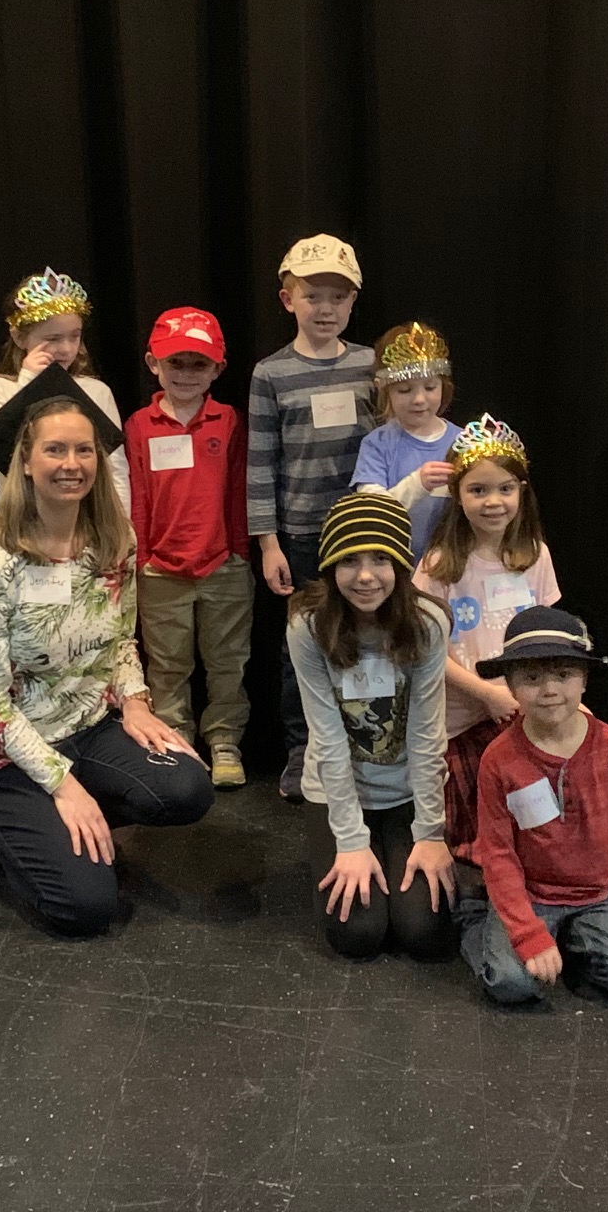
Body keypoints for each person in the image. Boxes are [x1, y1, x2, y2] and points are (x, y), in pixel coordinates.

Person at [0, 397, 213, 937]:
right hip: (8, 757)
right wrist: (63, 784)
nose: (72, 463)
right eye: (55, 450)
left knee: (187, 787)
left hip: (89, 730)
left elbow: (121, 640)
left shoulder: (114, 544)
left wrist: (137, 703)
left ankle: (63, 824)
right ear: (25, 462)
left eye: (83, 450)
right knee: (87, 907)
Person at [461, 607, 608, 1005]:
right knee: (511, 984)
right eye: (532, 678)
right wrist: (526, 932)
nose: (549, 689)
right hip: (530, 894)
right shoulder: (499, 760)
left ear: (585, 680)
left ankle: (568, 941)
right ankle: (479, 925)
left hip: (596, 896)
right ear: (510, 685)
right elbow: (499, 853)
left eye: (563, 674)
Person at [289, 492, 455, 960]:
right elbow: (327, 738)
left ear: (402, 565)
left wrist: (430, 832)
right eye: (349, 560)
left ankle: (395, 841)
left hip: (404, 792)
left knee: (424, 932)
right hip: (337, 793)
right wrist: (350, 841)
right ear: (329, 567)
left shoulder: (427, 624)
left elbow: (426, 738)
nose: (365, 576)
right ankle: (365, 845)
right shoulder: (308, 626)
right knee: (358, 935)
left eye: (381, 559)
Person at [247, 233, 377, 801]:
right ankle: (303, 747)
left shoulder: (372, 364)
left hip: (368, 530)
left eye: (338, 298)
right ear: (287, 300)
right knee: (300, 642)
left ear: (353, 303)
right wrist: (267, 541)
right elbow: (260, 461)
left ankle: (368, 738)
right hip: (302, 534)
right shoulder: (270, 374)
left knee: (372, 635)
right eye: (313, 296)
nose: (326, 309)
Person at [412, 415, 559, 860]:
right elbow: (425, 652)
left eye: (504, 489)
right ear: (457, 497)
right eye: (478, 490)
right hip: (462, 719)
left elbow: (545, 640)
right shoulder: (439, 566)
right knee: (477, 835)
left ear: (521, 492)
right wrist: (487, 695)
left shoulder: (533, 555)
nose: (493, 502)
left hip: (519, 711)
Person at [125, 308, 252, 789]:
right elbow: (136, 496)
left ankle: (224, 742)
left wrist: (239, 552)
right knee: (168, 666)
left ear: (217, 369)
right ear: (153, 363)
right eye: (174, 362)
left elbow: (238, 491)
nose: (185, 374)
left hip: (223, 566)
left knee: (227, 662)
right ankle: (175, 742)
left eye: (197, 364)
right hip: (160, 570)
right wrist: (141, 561)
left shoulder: (229, 421)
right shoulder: (139, 424)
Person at [0, 267, 131, 518]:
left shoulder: (96, 391)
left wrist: (123, 525)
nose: (66, 348)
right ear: (19, 337)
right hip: (24, 522)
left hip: (85, 523)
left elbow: (115, 467)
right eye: (53, 338)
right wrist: (30, 381)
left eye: (75, 336)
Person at [352, 321, 462, 559]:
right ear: (385, 391)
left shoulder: (463, 442)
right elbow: (372, 513)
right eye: (405, 390)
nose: (419, 399)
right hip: (397, 570)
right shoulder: (377, 445)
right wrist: (417, 484)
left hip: (452, 571)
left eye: (430, 387)